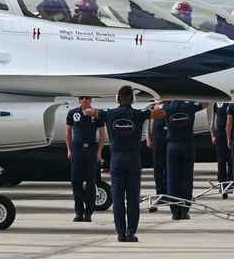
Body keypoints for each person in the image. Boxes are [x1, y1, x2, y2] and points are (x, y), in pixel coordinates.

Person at [86, 86, 165, 242]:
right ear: (132, 99)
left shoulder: (110, 113)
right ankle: (131, 232)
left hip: (116, 159)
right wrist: (158, 104)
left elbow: (90, 111)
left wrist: (97, 111)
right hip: (133, 159)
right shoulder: (138, 114)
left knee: (117, 198)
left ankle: (120, 233)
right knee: (133, 198)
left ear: (118, 99)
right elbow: (161, 112)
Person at [160, 99, 208, 220]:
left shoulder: (167, 107)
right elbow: (206, 103)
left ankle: (175, 212)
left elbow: (156, 107)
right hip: (187, 144)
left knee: (172, 180)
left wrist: (165, 99)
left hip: (172, 145)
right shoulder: (190, 106)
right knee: (187, 179)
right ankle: (185, 210)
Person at [66, 95, 106, 221]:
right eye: (82, 98)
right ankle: (78, 211)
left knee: (90, 181)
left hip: (91, 149)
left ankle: (88, 212)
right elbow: (68, 132)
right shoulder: (73, 113)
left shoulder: (96, 114)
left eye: (87, 98)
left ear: (90, 100)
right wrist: (69, 149)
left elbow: (102, 133)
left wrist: (99, 151)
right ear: (79, 100)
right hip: (77, 148)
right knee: (76, 181)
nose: (84, 100)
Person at [145, 114, 167, 212]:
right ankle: (160, 193)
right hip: (157, 135)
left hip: (168, 134)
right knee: (158, 166)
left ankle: (169, 192)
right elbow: (148, 121)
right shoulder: (155, 106)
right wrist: (148, 138)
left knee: (169, 166)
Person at [210, 102, 232, 197]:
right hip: (220, 131)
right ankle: (222, 183)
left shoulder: (230, 103)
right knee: (221, 161)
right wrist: (212, 135)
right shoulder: (216, 104)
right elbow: (213, 120)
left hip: (230, 132)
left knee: (231, 160)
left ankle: (231, 183)